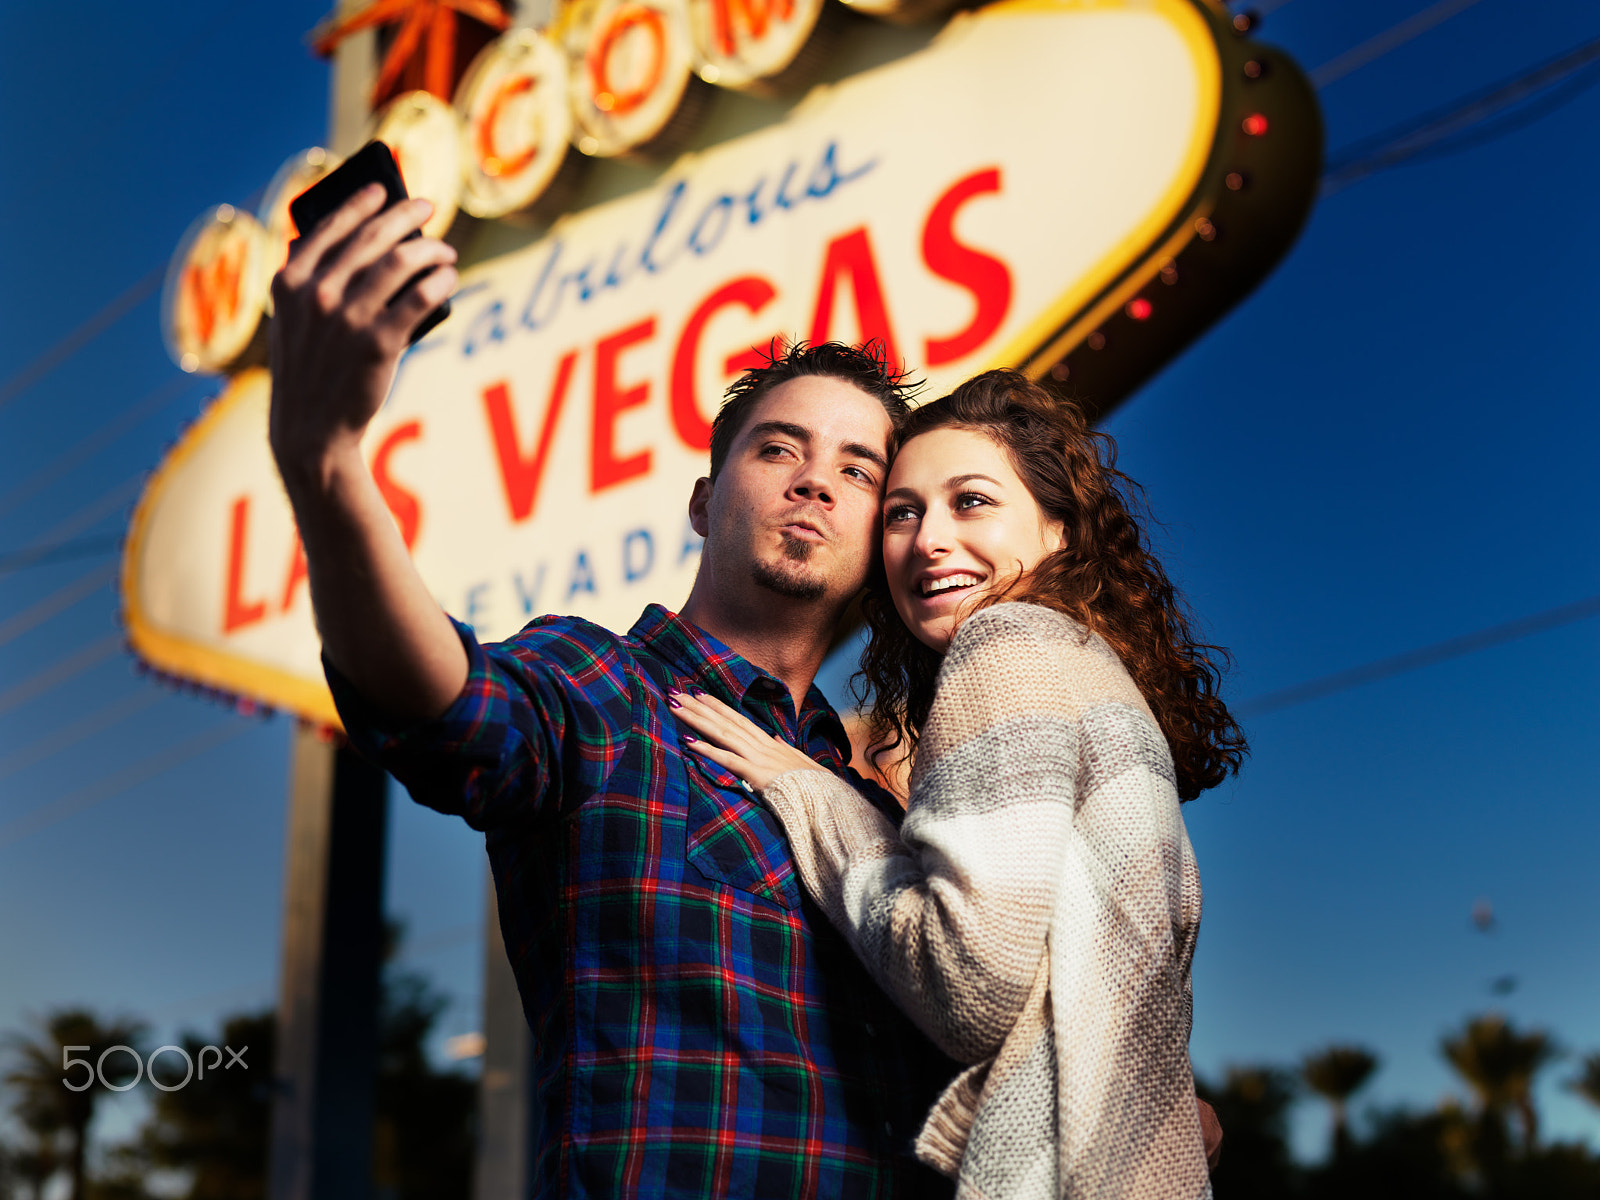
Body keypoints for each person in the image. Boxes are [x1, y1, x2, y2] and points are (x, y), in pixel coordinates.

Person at [266, 184, 962, 1197]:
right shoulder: (602, 691)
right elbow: (448, 705)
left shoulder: (878, 812)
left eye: (859, 471)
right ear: (701, 500)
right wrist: (325, 463)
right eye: (778, 448)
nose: (815, 480)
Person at [670, 369, 1246, 1199]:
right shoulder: (1092, 676)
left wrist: (813, 792)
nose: (930, 538)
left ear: (1056, 531)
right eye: (903, 512)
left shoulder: (1004, 647)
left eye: (970, 501)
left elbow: (968, 991)